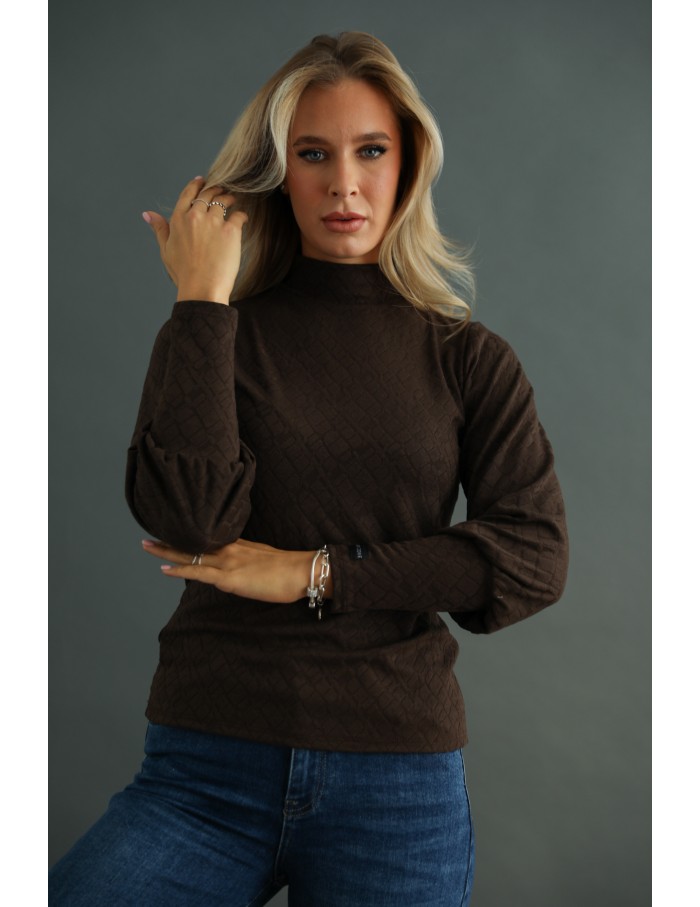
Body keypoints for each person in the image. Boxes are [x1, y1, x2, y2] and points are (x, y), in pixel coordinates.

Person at [49, 31, 568, 907]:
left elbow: (533, 558)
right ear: (277, 173)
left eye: (372, 151)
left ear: (409, 165)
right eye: (313, 154)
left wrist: (313, 573)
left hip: (395, 782)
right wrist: (201, 299)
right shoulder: (213, 333)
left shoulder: (467, 358)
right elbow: (190, 519)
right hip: (206, 764)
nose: (344, 184)